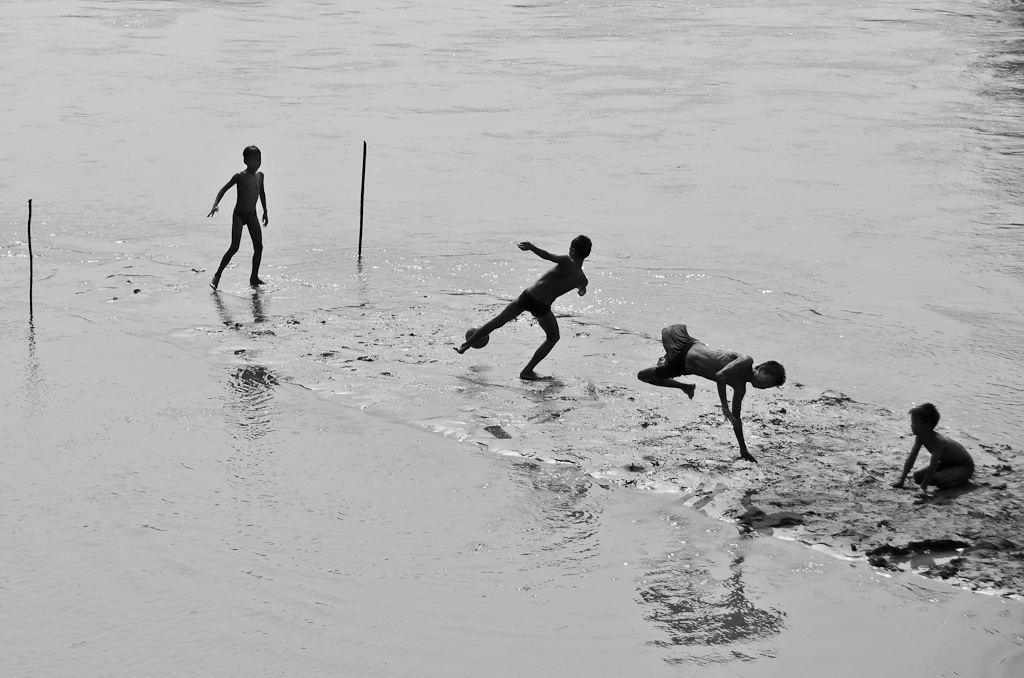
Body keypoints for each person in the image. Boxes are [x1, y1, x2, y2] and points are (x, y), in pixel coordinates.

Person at [637, 324, 786, 462]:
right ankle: (674, 371)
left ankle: (683, 383)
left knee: (643, 376)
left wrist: (743, 448)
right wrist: (724, 407)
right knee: (668, 330)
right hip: (687, 345)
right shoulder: (746, 361)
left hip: (681, 366)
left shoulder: (740, 388)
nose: (763, 386)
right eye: (766, 381)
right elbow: (721, 375)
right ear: (760, 368)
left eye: (767, 387)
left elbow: (736, 420)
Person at [455, 236, 592, 380]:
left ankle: (466, 345)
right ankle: (527, 371)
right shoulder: (582, 279)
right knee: (553, 337)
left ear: (572, 250)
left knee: (499, 320)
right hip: (542, 306)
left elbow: (547, 256)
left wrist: (532, 247)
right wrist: (581, 291)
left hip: (529, 295)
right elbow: (582, 288)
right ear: (586, 254)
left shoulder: (565, 261)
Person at [208, 145, 268, 289]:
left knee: (259, 247)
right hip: (239, 215)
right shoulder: (240, 176)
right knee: (234, 247)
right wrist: (215, 204)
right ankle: (217, 275)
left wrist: (265, 211)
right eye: (253, 161)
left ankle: (254, 277)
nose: (257, 164)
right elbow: (223, 189)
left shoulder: (260, 176)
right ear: (245, 161)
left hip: (252, 215)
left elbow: (262, 194)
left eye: (259, 160)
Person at [893, 403, 974, 497]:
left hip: (964, 465)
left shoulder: (938, 441)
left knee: (939, 480)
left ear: (927, 426)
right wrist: (902, 481)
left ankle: (961, 480)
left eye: (915, 423)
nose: (911, 425)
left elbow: (933, 466)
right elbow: (912, 457)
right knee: (917, 476)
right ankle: (950, 475)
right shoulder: (920, 437)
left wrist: (923, 488)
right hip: (947, 464)